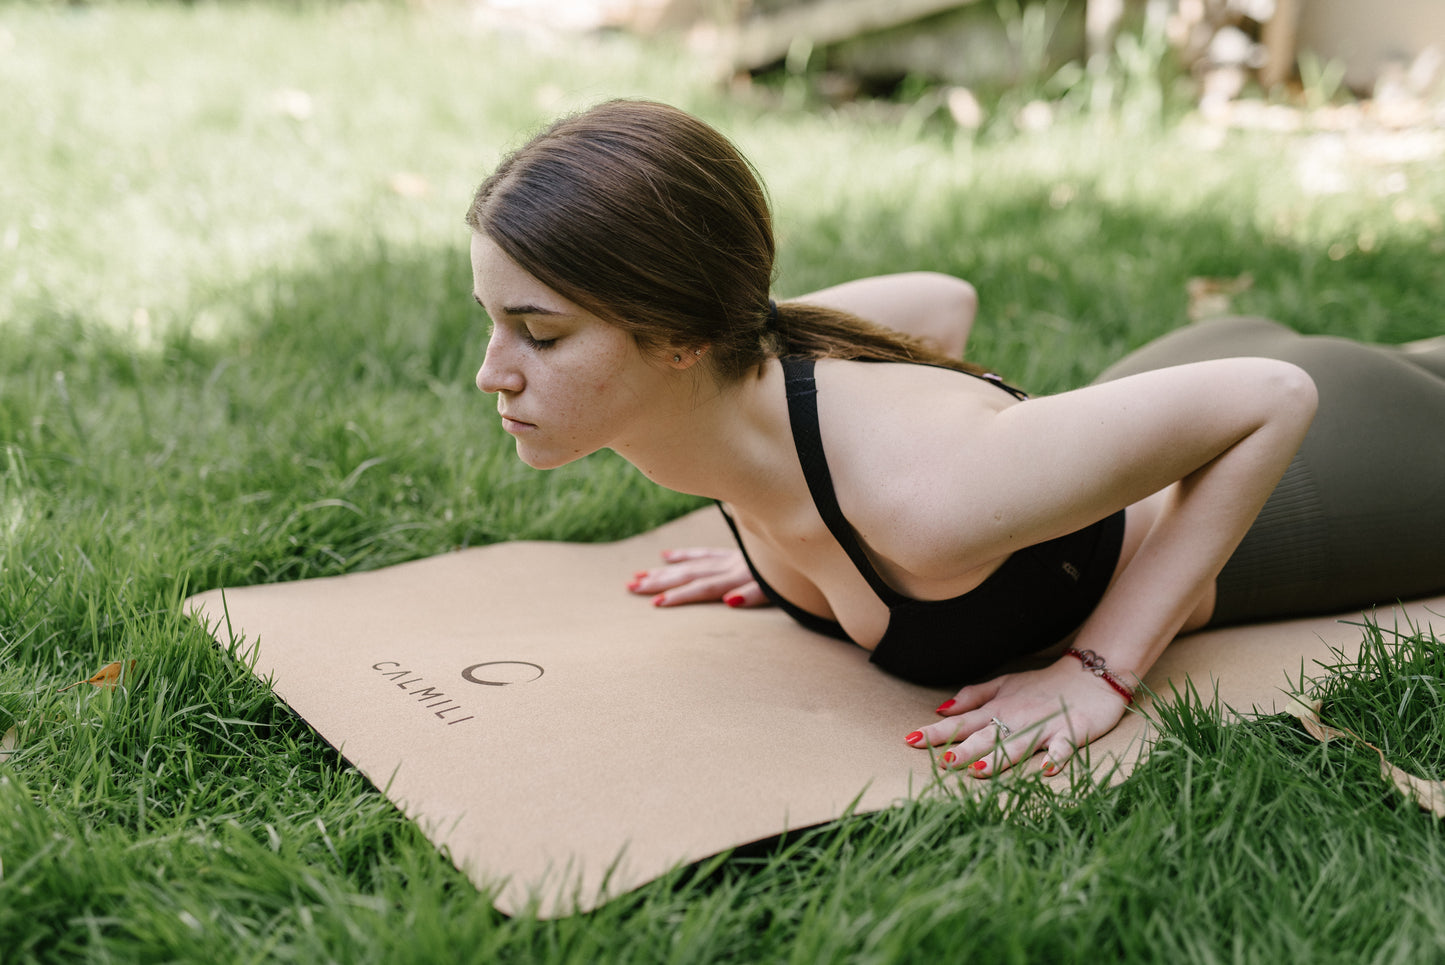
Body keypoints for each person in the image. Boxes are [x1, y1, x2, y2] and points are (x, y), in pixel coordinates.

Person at [465, 98, 1445, 777]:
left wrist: (1095, 669)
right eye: (493, 319)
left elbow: (1271, 396)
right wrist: (764, 535)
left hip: (1324, 477)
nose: (491, 369)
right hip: (1163, 387)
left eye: (540, 332)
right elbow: (940, 299)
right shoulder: (740, 391)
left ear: (677, 334)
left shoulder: (923, 501)